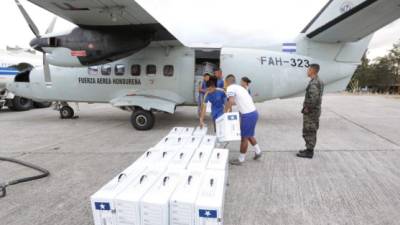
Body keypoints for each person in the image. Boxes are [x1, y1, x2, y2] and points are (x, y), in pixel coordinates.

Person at [224, 74, 262, 165]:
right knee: (249, 135)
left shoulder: (230, 88)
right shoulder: (240, 88)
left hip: (248, 115)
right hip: (253, 113)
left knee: (244, 138)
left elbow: (231, 101)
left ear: (227, 82)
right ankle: (258, 151)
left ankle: (241, 159)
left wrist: (226, 114)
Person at [297, 64, 324, 159]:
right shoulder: (318, 81)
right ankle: (308, 149)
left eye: (308, 69)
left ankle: (309, 152)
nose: (307, 71)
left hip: (311, 112)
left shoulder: (314, 83)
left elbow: (313, 98)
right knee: (312, 130)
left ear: (312, 70)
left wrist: (307, 108)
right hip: (315, 111)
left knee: (309, 130)